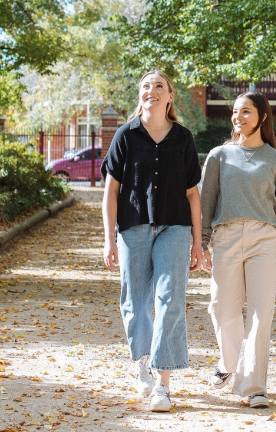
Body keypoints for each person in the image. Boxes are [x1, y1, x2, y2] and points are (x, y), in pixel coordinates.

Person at [101, 69, 203, 413]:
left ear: (170, 96)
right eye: (146, 85)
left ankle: (163, 385)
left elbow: (192, 194)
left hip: (175, 228)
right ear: (140, 95)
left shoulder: (183, 138)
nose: (152, 90)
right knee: (135, 299)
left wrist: (198, 243)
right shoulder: (125, 136)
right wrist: (109, 239)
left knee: (170, 299)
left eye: (160, 86)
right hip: (133, 228)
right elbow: (111, 190)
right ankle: (142, 362)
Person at [199, 90, 276, 410]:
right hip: (226, 237)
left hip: (264, 240)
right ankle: (230, 363)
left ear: (262, 117)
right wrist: (200, 243)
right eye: (235, 112)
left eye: (246, 112)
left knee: (260, 314)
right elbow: (205, 204)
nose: (238, 117)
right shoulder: (218, 156)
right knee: (220, 308)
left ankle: (254, 386)